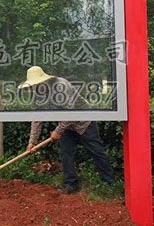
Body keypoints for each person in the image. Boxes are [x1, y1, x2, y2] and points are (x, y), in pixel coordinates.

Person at [19, 66, 115, 194]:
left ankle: (110, 183)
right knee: (66, 152)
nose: (35, 88)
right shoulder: (38, 96)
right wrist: (32, 141)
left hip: (84, 121)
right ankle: (71, 184)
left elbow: (70, 112)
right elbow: (37, 118)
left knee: (96, 151)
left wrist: (58, 131)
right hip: (66, 125)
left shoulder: (61, 86)